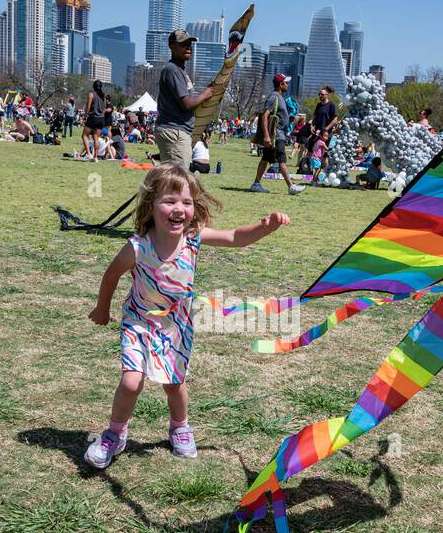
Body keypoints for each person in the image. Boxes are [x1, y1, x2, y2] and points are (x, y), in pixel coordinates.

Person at [84, 162, 291, 468]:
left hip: (176, 327)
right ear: (151, 205)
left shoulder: (193, 238)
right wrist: (102, 308)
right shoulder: (138, 247)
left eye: (186, 202)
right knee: (131, 382)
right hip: (138, 323)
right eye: (169, 201)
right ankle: (115, 434)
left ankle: (180, 427)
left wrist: (266, 227)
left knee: (174, 384)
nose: (178, 208)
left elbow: (235, 237)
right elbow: (112, 274)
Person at [154, 29, 214, 168]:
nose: (188, 47)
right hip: (174, 131)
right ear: (172, 46)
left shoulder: (180, 71)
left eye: (189, 44)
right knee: (178, 179)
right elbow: (186, 104)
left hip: (179, 131)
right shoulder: (172, 69)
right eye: (183, 44)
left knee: (173, 178)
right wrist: (204, 94)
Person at [249, 74, 303, 195]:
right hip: (276, 135)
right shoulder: (274, 97)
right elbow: (264, 116)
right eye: (286, 83)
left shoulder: (280, 97)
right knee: (282, 159)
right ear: (281, 84)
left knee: (266, 159)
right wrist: (267, 136)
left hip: (279, 134)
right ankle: (291, 186)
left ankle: (256, 184)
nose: (287, 85)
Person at [82, 79, 106, 161]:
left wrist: (85, 116)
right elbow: (104, 108)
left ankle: (89, 154)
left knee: (84, 135)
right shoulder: (103, 95)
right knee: (96, 137)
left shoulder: (91, 94)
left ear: (93, 86)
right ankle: (95, 157)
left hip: (93, 117)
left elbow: (88, 107)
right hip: (101, 118)